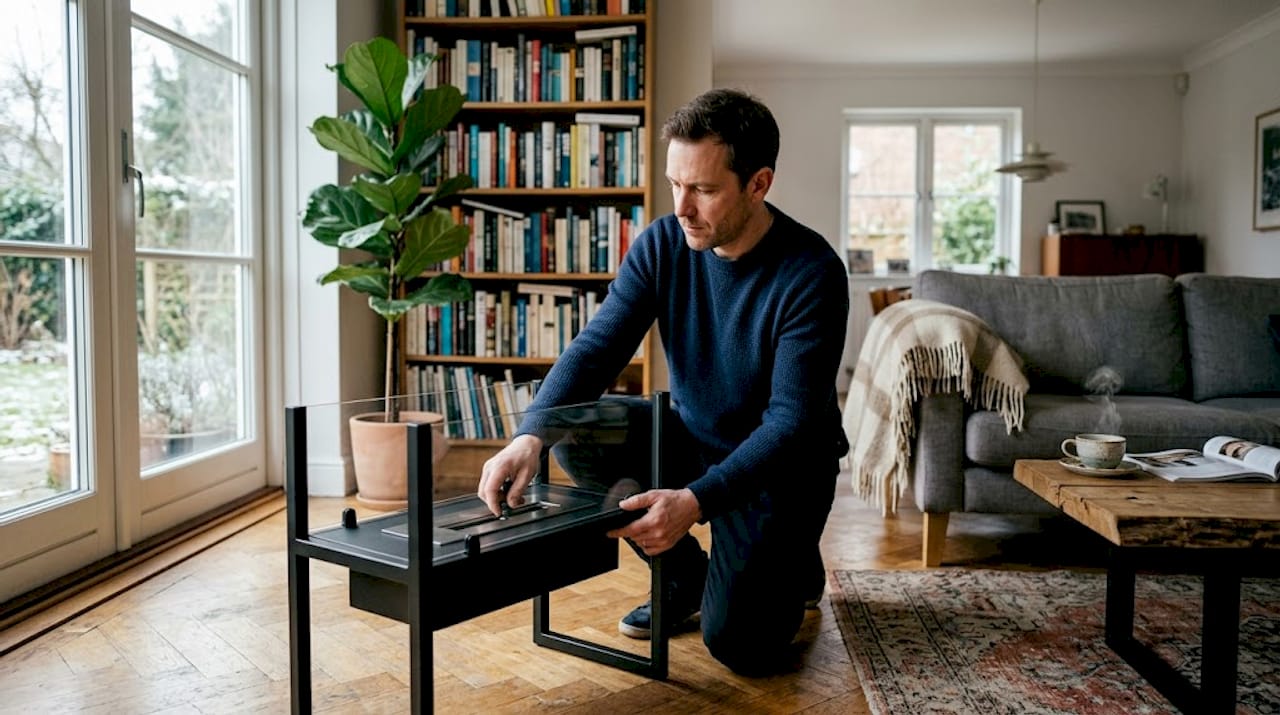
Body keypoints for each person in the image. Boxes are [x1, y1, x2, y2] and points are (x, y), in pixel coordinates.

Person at [477, 88, 850, 675]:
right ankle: (684, 577)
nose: (681, 207)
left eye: (702, 189)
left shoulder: (812, 272)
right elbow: (598, 347)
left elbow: (792, 423)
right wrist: (530, 434)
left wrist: (696, 502)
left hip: (783, 470)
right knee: (573, 429)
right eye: (676, 184)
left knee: (742, 648)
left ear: (758, 183)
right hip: (694, 439)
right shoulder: (663, 243)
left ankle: (793, 559)